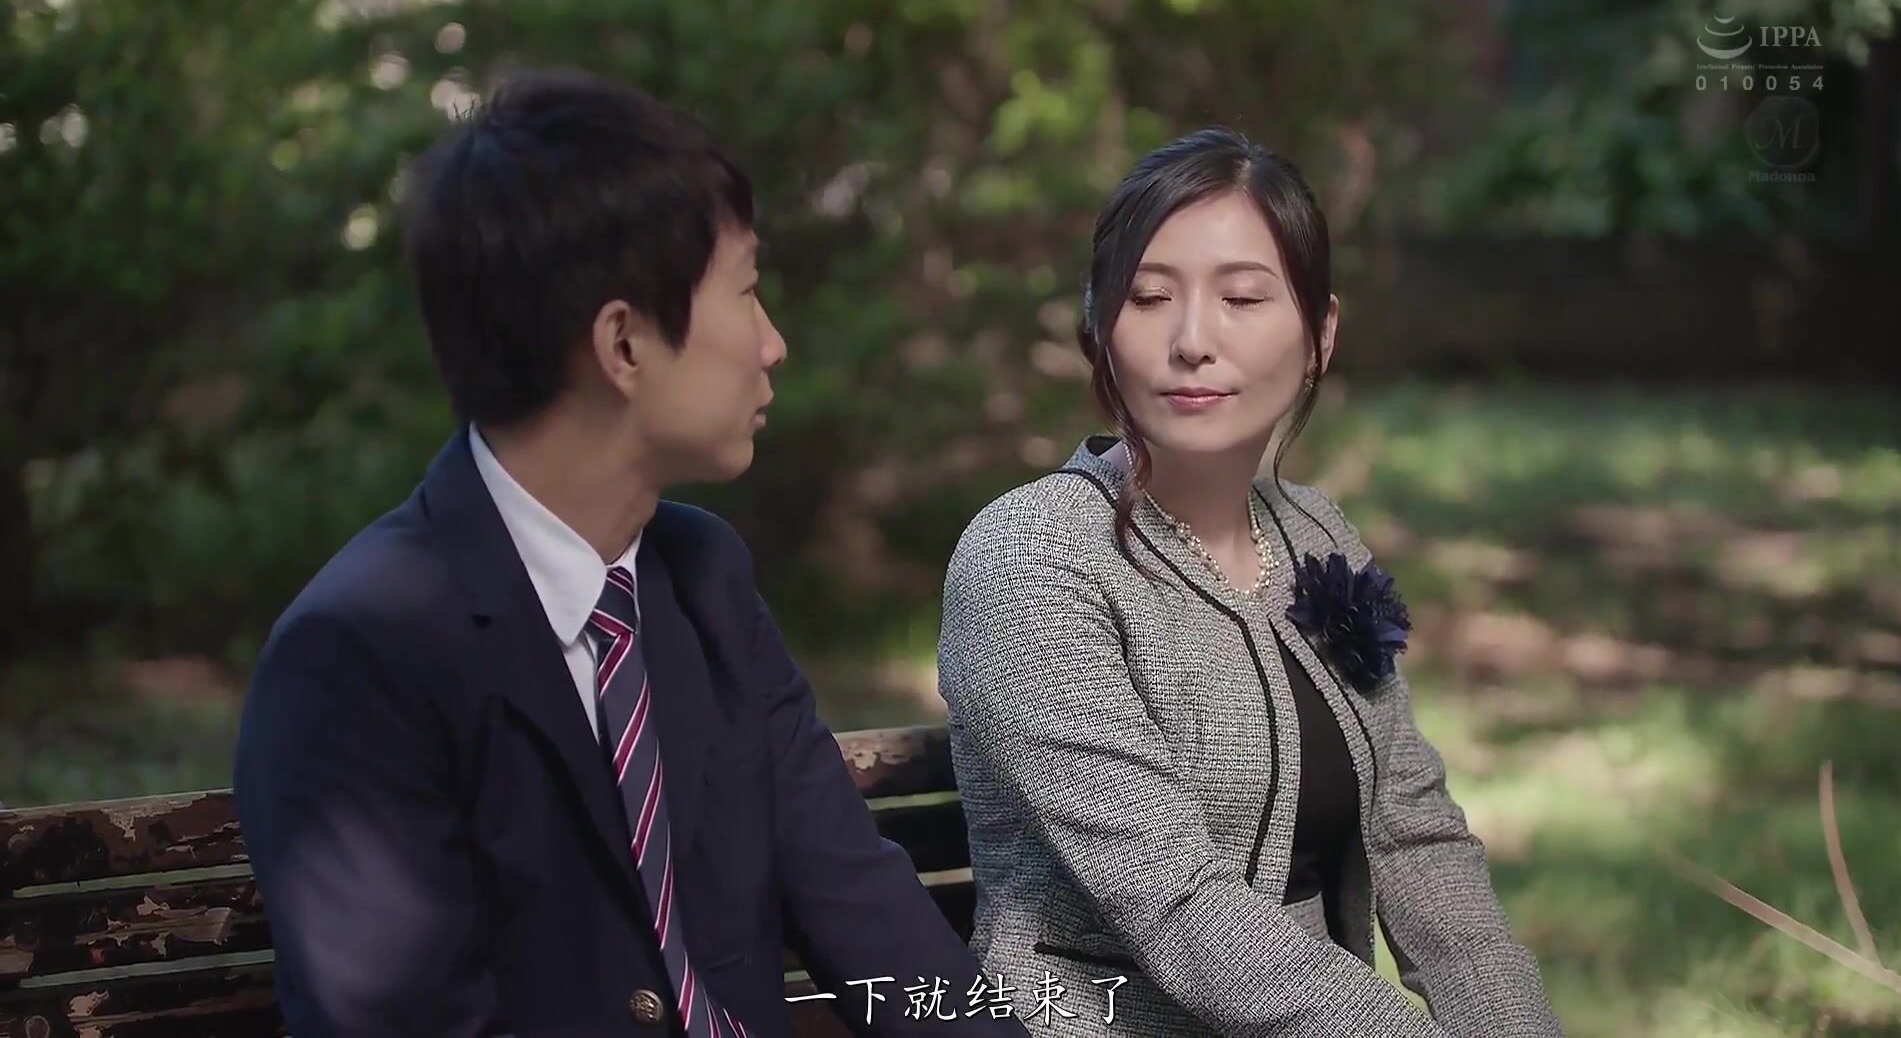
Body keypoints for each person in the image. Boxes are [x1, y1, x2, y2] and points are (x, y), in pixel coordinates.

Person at [234, 69, 1025, 1038]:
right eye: (747, 292)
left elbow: (871, 924)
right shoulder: (362, 656)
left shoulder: (701, 579)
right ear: (624, 344)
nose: (772, 344)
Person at [936, 129, 1561, 1037]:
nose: (1192, 341)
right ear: (1099, 329)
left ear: (1319, 334)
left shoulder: (1316, 535)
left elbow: (1417, 838)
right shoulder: (1033, 557)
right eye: (1149, 297)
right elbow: (1176, 903)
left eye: (1241, 297)